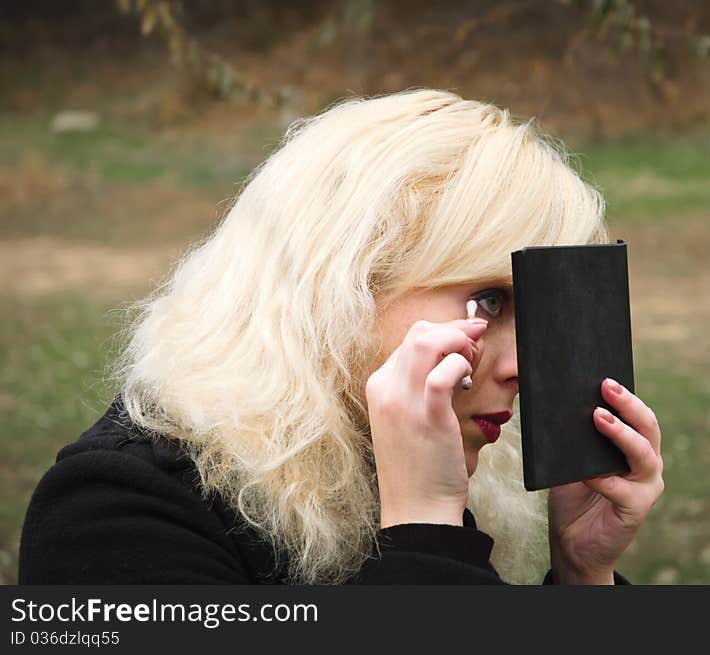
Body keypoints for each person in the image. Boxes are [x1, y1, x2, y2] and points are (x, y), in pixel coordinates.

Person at [18, 89, 664, 585]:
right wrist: (425, 532)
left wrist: (582, 575)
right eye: (490, 300)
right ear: (343, 290)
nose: (526, 364)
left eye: (540, 310)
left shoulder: (397, 468)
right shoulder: (116, 512)